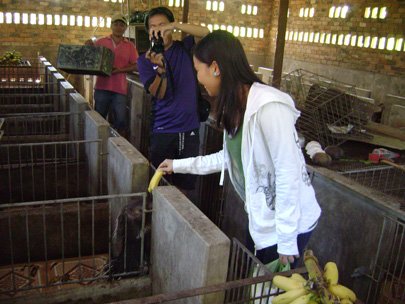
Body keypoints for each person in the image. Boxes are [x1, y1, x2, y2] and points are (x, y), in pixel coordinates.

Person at [157, 30, 321, 267]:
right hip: (261, 218)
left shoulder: (269, 107)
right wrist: (178, 165)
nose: (198, 79)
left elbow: (288, 171)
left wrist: (286, 240)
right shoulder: (237, 106)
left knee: (270, 293)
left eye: (197, 70)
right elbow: (229, 158)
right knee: (258, 285)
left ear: (215, 67)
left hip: (289, 225)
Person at [137, 7, 209, 193]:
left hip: (189, 128)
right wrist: (160, 69)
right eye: (153, 27)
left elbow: (206, 33)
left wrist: (175, 25)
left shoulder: (185, 47)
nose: (159, 31)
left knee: (186, 183)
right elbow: (158, 94)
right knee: (160, 184)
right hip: (163, 130)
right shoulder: (145, 60)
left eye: (163, 25)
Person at [86, 14, 138, 137]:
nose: (118, 27)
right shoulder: (101, 42)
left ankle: (117, 146)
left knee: (120, 121)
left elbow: (136, 65)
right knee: (99, 118)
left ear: (125, 27)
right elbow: (91, 59)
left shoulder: (130, 46)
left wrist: (119, 70)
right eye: (116, 24)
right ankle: (98, 142)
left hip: (119, 90)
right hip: (102, 87)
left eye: (121, 25)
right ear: (111, 26)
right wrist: (88, 47)